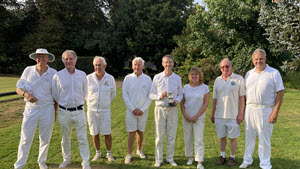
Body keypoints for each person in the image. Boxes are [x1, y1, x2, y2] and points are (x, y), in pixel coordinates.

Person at [239, 49, 284, 169]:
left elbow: (280, 93)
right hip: (250, 109)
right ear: (253, 60)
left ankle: (265, 164)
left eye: (261, 58)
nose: (258, 61)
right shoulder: (249, 73)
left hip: (266, 110)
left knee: (264, 138)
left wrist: (275, 112)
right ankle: (247, 160)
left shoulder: (273, 73)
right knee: (249, 137)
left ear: (265, 59)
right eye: (256, 59)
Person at [14, 48, 57, 169]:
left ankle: (42, 162)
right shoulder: (28, 70)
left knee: (45, 138)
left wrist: (55, 112)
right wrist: (26, 94)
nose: (41, 59)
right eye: (38, 56)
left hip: (47, 108)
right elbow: (18, 89)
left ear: (48, 59)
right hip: (31, 109)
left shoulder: (53, 73)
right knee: (25, 137)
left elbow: (56, 95)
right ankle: (19, 164)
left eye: (43, 56)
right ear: (35, 58)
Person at [52, 50, 90, 169]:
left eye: (71, 58)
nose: (69, 61)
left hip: (79, 111)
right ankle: (66, 159)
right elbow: (55, 94)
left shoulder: (82, 74)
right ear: (63, 61)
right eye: (66, 59)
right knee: (65, 138)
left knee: (82, 138)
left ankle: (85, 162)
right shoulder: (57, 76)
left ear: (75, 60)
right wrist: (65, 104)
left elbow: (85, 91)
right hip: (64, 112)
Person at [149, 54, 183, 167]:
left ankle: (170, 158)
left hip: (173, 109)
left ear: (173, 64)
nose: (168, 64)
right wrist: (160, 95)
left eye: (170, 62)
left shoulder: (177, 78)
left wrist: (177, 99)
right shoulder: (157, 77)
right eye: (166, 62)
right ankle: (158, 159)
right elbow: (151, 94)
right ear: (163, 64)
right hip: (160, 109)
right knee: (159, 136)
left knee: (171, 136)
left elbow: (180, 94)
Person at [211, 58, 245, 167]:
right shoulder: (217, 80)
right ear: (220, 68)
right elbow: (215, 99)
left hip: (233, 115)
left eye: (227, 66)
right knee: (221, 137)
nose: (225, 68)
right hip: (219, 115)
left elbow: (242, 98)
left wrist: (241, 113)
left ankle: (232, 157)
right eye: (222, 67)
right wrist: (212, 114)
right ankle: (222, 156)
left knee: (232, 138)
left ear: (231, 66)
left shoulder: (239, 79)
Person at [86, 56, 116, 162]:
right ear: (94, 66)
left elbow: (113, 94)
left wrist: (105, 103)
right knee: (94, 132)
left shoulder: (110, 78)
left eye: (100, 65)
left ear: (105, 66)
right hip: (92, 110)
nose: (98, 67)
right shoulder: (88, 78)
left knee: (107, 132)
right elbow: (85, 94)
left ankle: (109, 153)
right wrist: (92, 102)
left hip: (105, 110)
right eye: (96, 65)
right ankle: (97, 152)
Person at [122, 57, 152, 164]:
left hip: (143, 111)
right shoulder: (128, 78)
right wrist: (132, 109)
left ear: (143, 66)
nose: (137, 67)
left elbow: (150, 96)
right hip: (131, 112)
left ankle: (139, 150)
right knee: (131, 132)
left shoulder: (148, 79)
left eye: (139, 65)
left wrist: (142, 109)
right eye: (135, 64)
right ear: (132, 66)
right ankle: (129, 154)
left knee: (140, 131)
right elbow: (125, 95)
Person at [180, 67, 210, 169]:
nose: (194, 76)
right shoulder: (185, 87)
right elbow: (182, 103)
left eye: (196, 74)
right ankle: (190, 157)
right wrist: (185, 115)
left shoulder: (205, 88)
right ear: (190, 76)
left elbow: (205, 104)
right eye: (192, 74)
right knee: (187, 138)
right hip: (187, 118)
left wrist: (196, 116)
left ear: (200, 75)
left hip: (199, 118)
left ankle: (199, 162)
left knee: (199, 140)